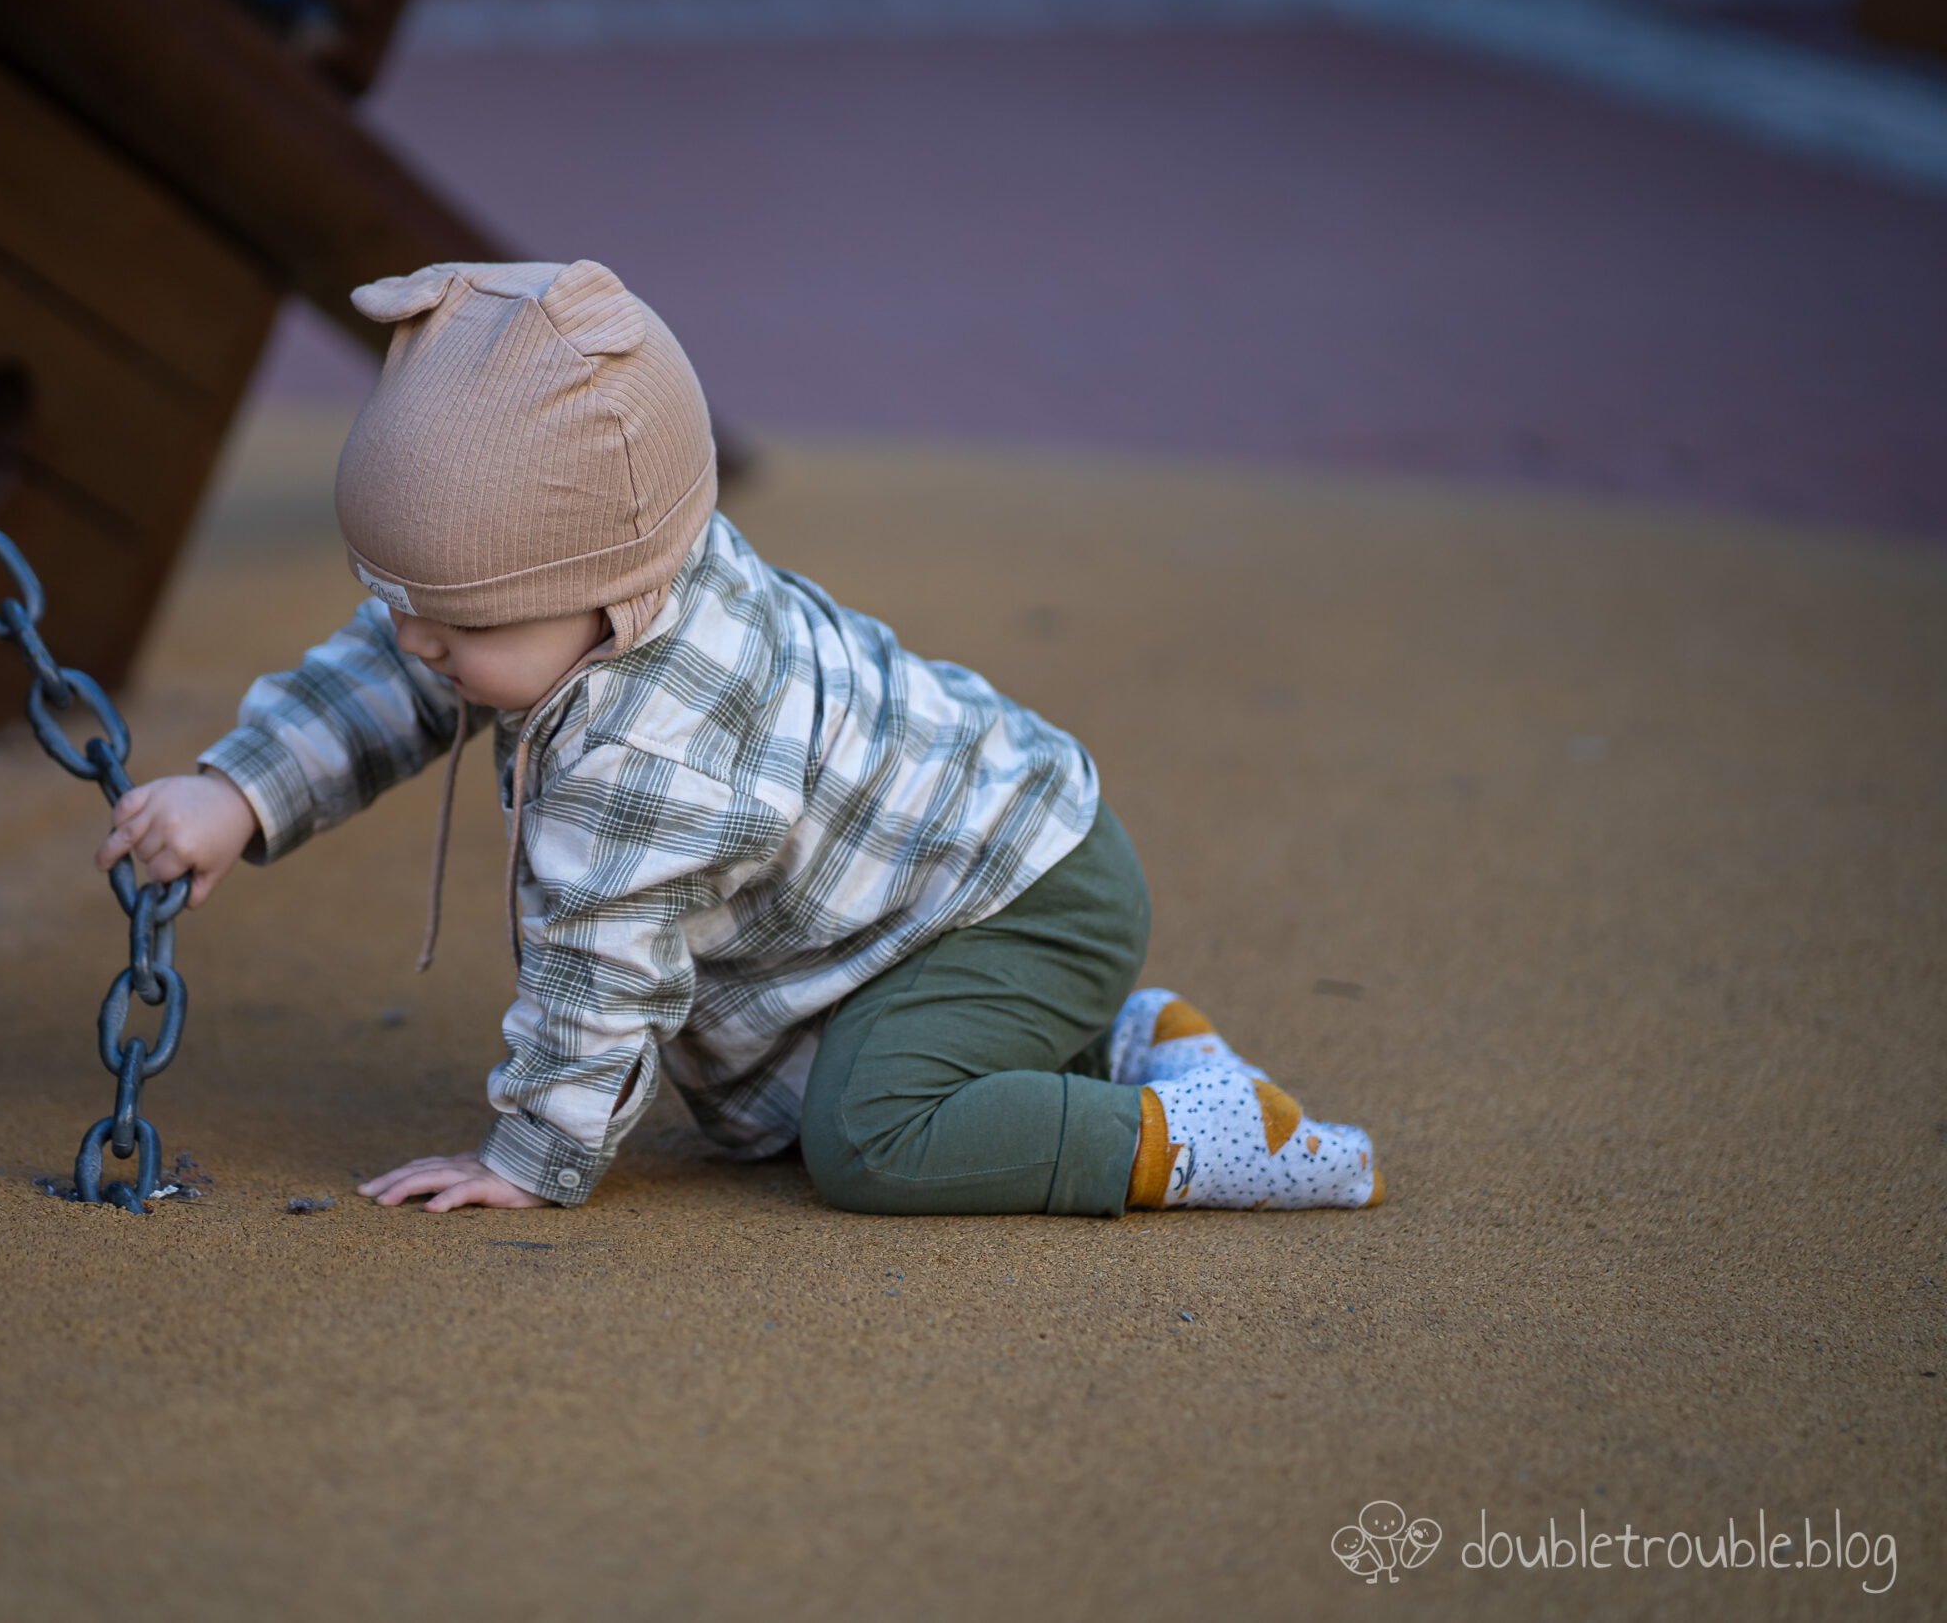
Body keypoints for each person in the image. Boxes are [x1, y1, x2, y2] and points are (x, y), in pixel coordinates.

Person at [96, 260, 1382, 1218]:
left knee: (871, 1138)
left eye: (455, 623)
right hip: (962, 875)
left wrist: (531, 1158)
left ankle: (1196, 1139)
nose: (419, 645)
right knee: (861, 1073)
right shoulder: (609, 558)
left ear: (604, 590)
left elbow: (603, 969)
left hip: (1017, 900)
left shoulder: (648, 757)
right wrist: (239, 795)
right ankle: (1116, 1034)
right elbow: (395, 674)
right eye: (405, 608)